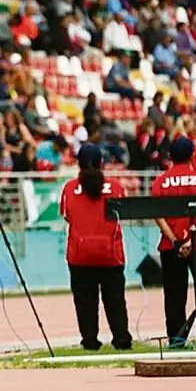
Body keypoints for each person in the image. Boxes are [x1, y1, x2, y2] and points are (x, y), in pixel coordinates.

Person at [150, 136, 196, 348]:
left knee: (174, 295)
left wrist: (175, 241)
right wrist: (192, 242)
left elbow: (158, 214)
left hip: (170, 247)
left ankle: (177, 337)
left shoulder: (161, 181)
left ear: (170, 156)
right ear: (192, 154)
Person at [59, 143, 133, 351]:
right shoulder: (116, 187)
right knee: (115, 300)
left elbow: (67, 216)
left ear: (78, 164)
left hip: (80, 255)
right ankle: (121, 339)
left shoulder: (69, 188)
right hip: (111, 255)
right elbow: (123, 216)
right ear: (102, 163)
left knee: (85, 302)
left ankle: (90, 340)